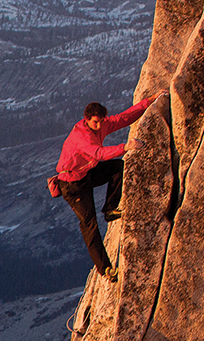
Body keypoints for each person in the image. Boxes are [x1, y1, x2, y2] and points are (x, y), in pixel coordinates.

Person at [49, 98, 152, 280]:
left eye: (101, 121)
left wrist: (150, 101)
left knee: (118, 168)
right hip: (73, 186)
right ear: (86, 119)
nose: (99, 125)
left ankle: (110, 209)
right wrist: (125, 147)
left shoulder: (102, 125)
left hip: (87, 174)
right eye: (95, 122)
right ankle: (106, 269)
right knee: (90, 225)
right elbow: (99, 153)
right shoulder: (82, 136)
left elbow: (124, 118)